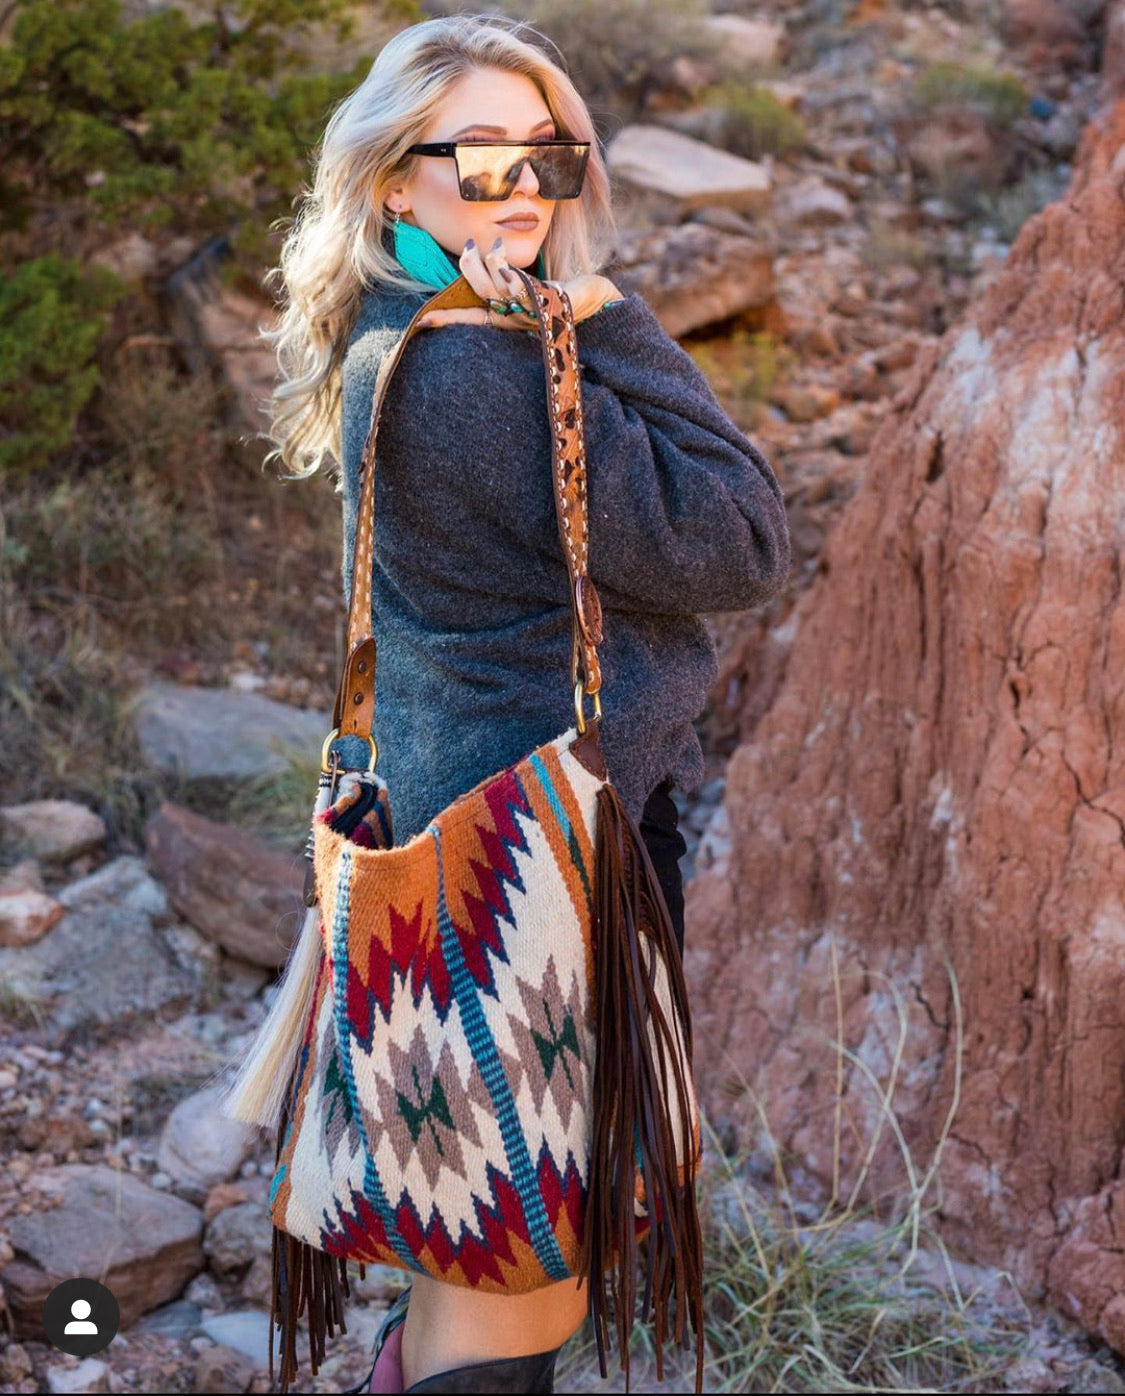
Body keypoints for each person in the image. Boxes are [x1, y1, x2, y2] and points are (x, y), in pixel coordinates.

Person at [258, 12, 791, 1393]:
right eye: (478, 156)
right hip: (536, 863)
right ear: (395, 178)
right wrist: (610, 318)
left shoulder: (401, 327)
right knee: (519, 1291)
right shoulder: (483, 367)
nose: (524, 188)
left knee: (475, 1243)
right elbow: (740, 542)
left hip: (463, 833)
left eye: (546, 153)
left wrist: (558, 316)